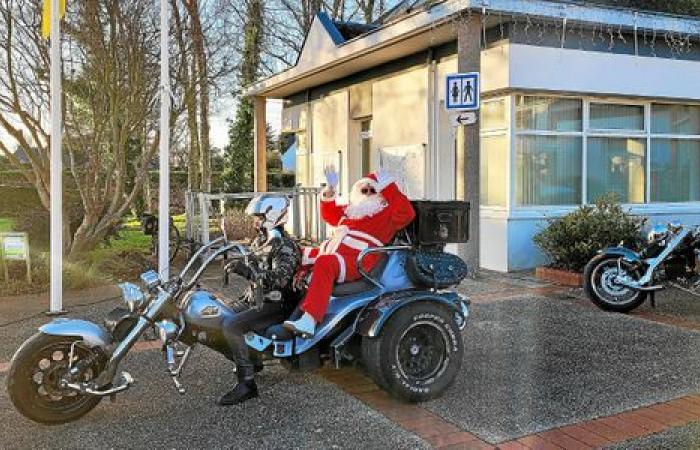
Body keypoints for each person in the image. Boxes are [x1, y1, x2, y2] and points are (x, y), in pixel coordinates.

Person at [283, 167, 415, 336]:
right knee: (293, 253)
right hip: (336, 251)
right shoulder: (354, 210)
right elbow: (330, 215)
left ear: (381, 191)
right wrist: (330, 190)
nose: (368, 193)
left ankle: (310, 320)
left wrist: (388, 187)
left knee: (325, 263)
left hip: (360, 259)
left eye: (373, 190)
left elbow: (407, 213)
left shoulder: (388, 212)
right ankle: (280, 308)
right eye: (364, 190)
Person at [218, 194, 301, 406]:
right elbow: (255, 267)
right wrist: (237, 264)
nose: (255, 221)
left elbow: (282, 279)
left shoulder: (285, 245)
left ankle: (247, 385)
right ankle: (253, 362)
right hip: (256, 299)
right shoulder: (261, 241)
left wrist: (248, 272)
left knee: (231, 326)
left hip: (277, 303)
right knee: (219, 317)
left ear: (273, 216)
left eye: (259, 217)